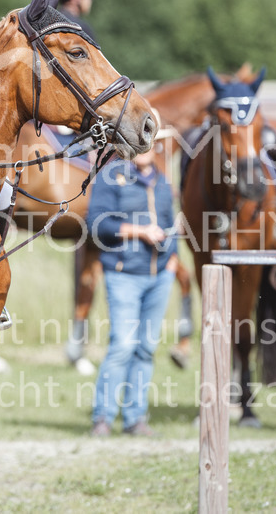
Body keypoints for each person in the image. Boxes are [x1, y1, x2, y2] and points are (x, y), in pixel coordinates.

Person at [86, 124, 178, 437]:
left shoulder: (162, 181)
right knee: (123, 345)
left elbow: (170, 223)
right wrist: (140, 232)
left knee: (146, 348)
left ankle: (136, 418)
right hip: (124, 274)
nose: (147, 147)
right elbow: (98, 224)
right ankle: (103, 417)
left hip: (158, 277)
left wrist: (172, 262)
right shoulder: (111, 176)